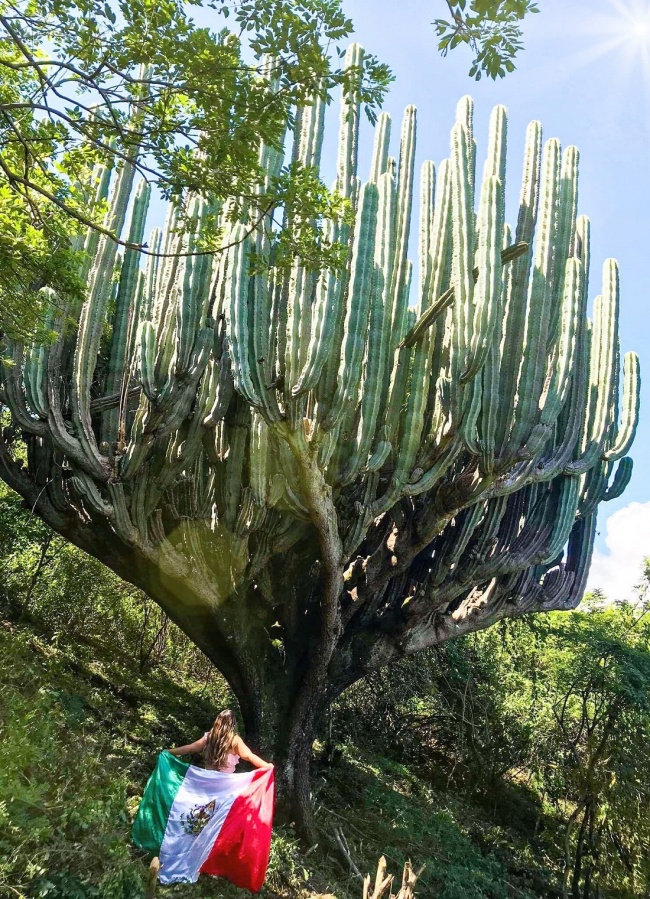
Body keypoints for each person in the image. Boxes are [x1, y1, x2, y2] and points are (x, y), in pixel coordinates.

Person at [168, 709, 271, 773]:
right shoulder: (234, 740)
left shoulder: (209, 737)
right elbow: (249, 756)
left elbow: (190, 748)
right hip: (224, 784)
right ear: (233, 724)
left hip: (208, 779)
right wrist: (267, 766)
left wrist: (169, 751)